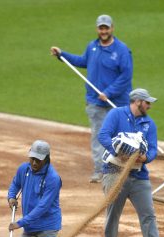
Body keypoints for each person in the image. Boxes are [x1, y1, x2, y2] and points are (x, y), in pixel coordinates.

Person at [97, 88, 164, 237]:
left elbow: (153, 149)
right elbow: (103, 136)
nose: (149, 105)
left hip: (139, 176)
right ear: (137, 101)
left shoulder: (149, 123)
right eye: (147, 102)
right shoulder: (116, 114)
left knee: (148, 215)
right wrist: (118, 152)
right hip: (114, 173)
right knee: (113, 215)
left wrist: (145, 158)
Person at [51, 14, 133, 184]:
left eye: (106, 28)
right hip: (95, 102)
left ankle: (123, 170)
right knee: (98, 136)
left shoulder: (121, 50)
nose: (103, 31)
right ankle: (100, 170)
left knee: (121, 137)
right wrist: (62, 55)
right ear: (97, 29)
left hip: (116, 104)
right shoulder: (92, 47)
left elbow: (126, 76)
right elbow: (82, 61)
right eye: (101, 28)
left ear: (112, 28)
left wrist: (109, 92)